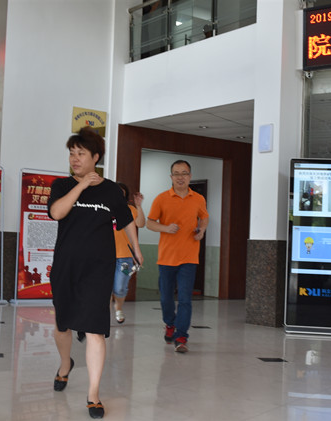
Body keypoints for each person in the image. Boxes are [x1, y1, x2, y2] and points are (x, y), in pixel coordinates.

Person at [47, 127, 143, 419]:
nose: (75, 159)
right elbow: (56, 213)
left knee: (95, 330)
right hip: (66, 266)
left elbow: (126, 220)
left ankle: (93, 394)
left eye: (81, 154)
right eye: (71, 154)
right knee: (62, 325)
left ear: (96, 157)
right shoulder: (62, 185)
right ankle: (66, 364)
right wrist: (81, 186)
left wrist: (137, 249)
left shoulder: (111, 190)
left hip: (99, 269)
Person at [146, 160, 209, 353]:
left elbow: (204, 217)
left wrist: (202, 231)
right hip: (166, 258)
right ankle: (170, 323)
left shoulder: (198, 198)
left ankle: (181, 336)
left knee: (185, 299)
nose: (180, 177)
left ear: (190, 176)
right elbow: (150, 223)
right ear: (171, 177)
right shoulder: (161, 198)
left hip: (189, 257)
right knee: (166, 298)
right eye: (176, 173)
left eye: (184, 173)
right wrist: (165, 228)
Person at [112, 183, 146, 324]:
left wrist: (139, 206)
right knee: (104, 288)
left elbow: (141, 224)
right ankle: (102, 316)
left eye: (122, 193)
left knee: (120, 287)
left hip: (125, 258)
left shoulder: (130, 210)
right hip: (105, 257)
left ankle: (118, 308)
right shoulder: (105, 208)